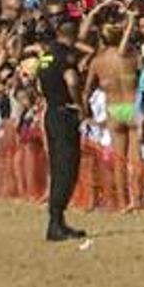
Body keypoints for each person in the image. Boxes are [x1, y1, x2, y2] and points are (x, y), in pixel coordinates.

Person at [30, 40, 87, 241]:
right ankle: (56, 221)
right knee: (67, 166)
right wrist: (80, 104)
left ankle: (57, 220)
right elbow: (72, 81)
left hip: (51, 112)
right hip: (65, 113)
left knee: (57, 165)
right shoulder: (64, 59)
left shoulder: (44, 61)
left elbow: (36, 85)